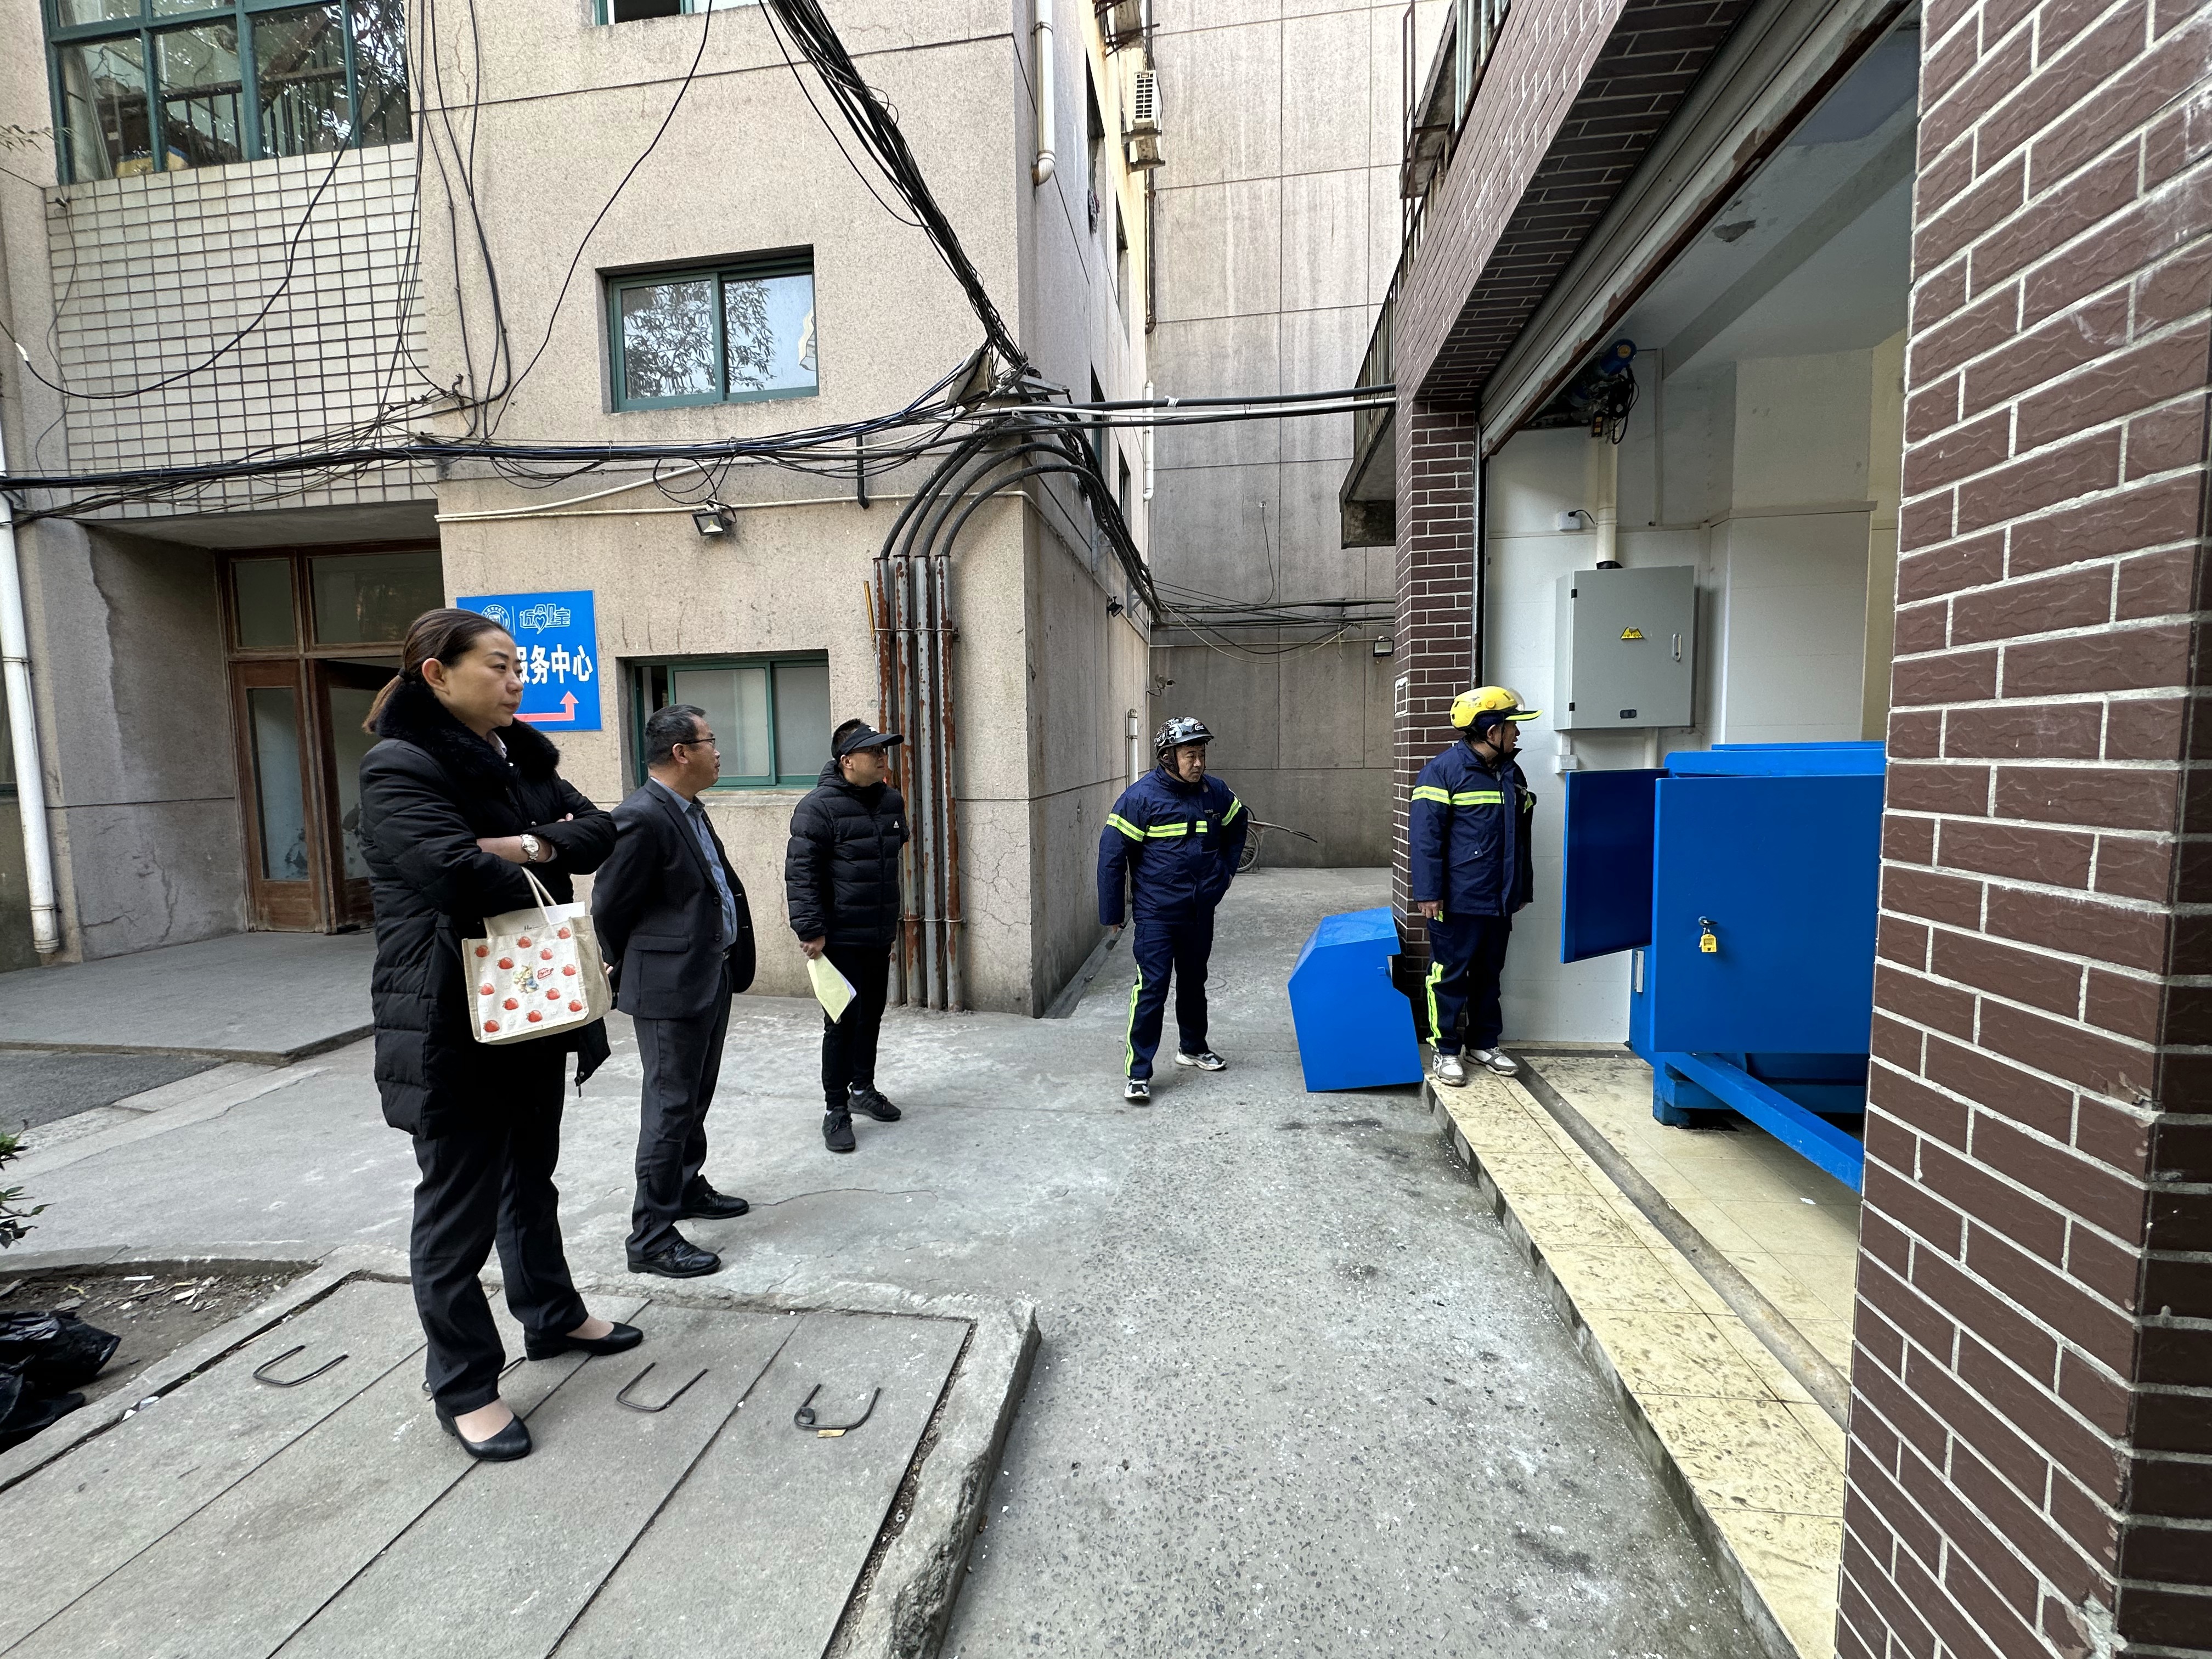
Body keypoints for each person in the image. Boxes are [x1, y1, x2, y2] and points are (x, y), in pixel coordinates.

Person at [358, 608, 641, 1464]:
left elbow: (600, 830)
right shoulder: (401, 765)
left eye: (520, 665)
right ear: (437, 674)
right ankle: (464, 1385)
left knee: (530, 1178)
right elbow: (452, 872)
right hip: (448, 1017)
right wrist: (535, 857)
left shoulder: (520, 756)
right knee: (457, 1209)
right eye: (499, 665)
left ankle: (551, 1314)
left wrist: (521, 843)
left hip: (528, 1009)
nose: (517, 680)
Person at [591, 704, 758, 1280]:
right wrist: (638, 962)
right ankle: (651, 1236)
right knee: (668, 1108)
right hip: (670, 988)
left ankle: (685, 1187)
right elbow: (609, 906)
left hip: (710, 974)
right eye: (711, 741)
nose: (719, 752)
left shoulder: (688, 808)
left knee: (694, 1098)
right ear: (682, 753)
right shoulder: (641, 817)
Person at [1097, 716, 1247, 1103]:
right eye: (1190, 755)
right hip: (1157, 915)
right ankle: (1138, 1073)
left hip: (1199, 912)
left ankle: (1193, 1048)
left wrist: (1226, 872)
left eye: (1202, 754)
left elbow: (1238, 821)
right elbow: (1112, 855)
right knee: (1152, 988)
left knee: (1194, 981)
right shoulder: (1140, 799)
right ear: (1167, 757)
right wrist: (1113, 913)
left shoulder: (1215, 792)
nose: (1199, 763)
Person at [785, 719, 909, 1153]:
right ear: (847, 761)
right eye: (872, 751)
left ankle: (863, 1089)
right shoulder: (816, 808)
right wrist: (810, 929)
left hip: (878, 931)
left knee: (871, 1015)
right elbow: (801, 874)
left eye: (884, 750)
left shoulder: (892, 801)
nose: (882, 757)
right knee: (840, 1022)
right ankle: (835, 1109)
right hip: (838, 939)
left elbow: (891, 852)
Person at [1409, 685, 1541, 1086]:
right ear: (1491, 730)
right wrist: (1428, 892)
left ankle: (1483, 1044)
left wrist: (1521, 888)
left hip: (1499, 898)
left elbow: (1521, 838)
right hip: (1457, 899)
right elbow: (1426, 838)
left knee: (1489, 975)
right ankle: (1445, 1050)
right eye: (1512, 725)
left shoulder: (1512, 773)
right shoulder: (1443, 771)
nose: (1517, 733)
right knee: (1448, 975)